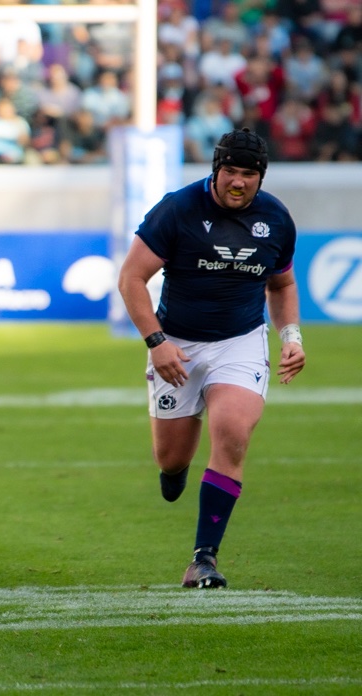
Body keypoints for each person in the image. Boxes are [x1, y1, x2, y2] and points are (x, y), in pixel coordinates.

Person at [117, 128, 305, 589]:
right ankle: (174, 472)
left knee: (233, 431)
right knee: (171, 456)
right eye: (230, 172)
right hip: (176, 344)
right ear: (215, 170)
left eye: (249, 174)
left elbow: (281, 285)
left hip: (240, 341)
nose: (238, 183)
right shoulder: (177, 209)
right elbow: (131, 278)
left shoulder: (276, 218)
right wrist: (156, 341)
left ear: (261, 177)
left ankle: (203, 558)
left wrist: (292, 336)